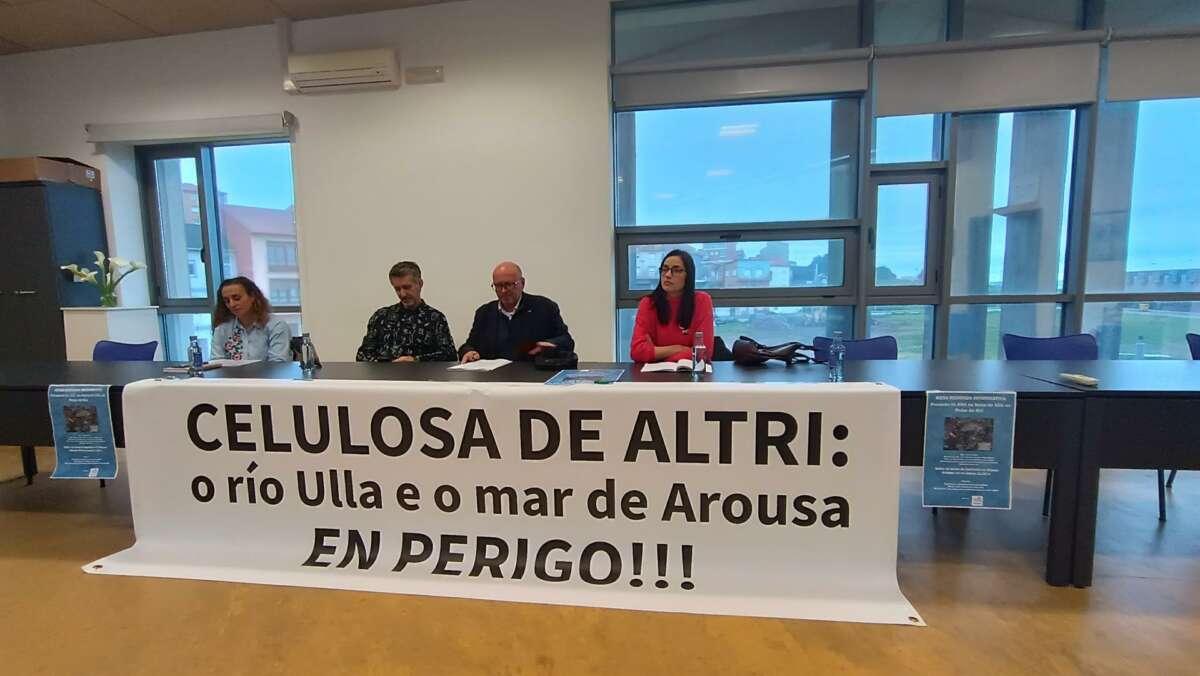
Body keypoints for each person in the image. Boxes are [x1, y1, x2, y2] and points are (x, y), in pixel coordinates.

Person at [459, 261, 574, 362]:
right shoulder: (484, 313)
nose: (503, 291)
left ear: (522, 283)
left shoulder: (544, 307)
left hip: (533, 378)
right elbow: (470, 345)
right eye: (498, 286)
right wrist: (468, 352)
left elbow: (566, 340)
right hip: (494, 380)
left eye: (509, 285)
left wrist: (552, 344)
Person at [356, 261, 457, 363]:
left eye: (407, 287)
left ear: (420, 284)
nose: (402, 294)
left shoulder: (435, 318)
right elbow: (362, 355)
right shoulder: (381, 317)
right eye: (397, 289)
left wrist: (415, 360)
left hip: (422, 377)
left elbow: (450, 355)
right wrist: (389, 364)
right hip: (385, 377)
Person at [629, 249, 715, 363]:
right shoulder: (648, 303)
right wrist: (678, 349)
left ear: (688, 275)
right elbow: (637, 352)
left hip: (690, 375)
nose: (668, 275)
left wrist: (656, 353)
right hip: (653, 377)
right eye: (664, 269)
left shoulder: (702, 301)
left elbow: (704, 354)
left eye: (676, 270)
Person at [210, 276, 292, 362]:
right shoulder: (222, 328)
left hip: (268, 375)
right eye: (227, 301)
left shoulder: (276, 325)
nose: (232, 304)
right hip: (231, 375)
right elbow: (216, 362)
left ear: (252, 296)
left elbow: (278, 363)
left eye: (237, 298)